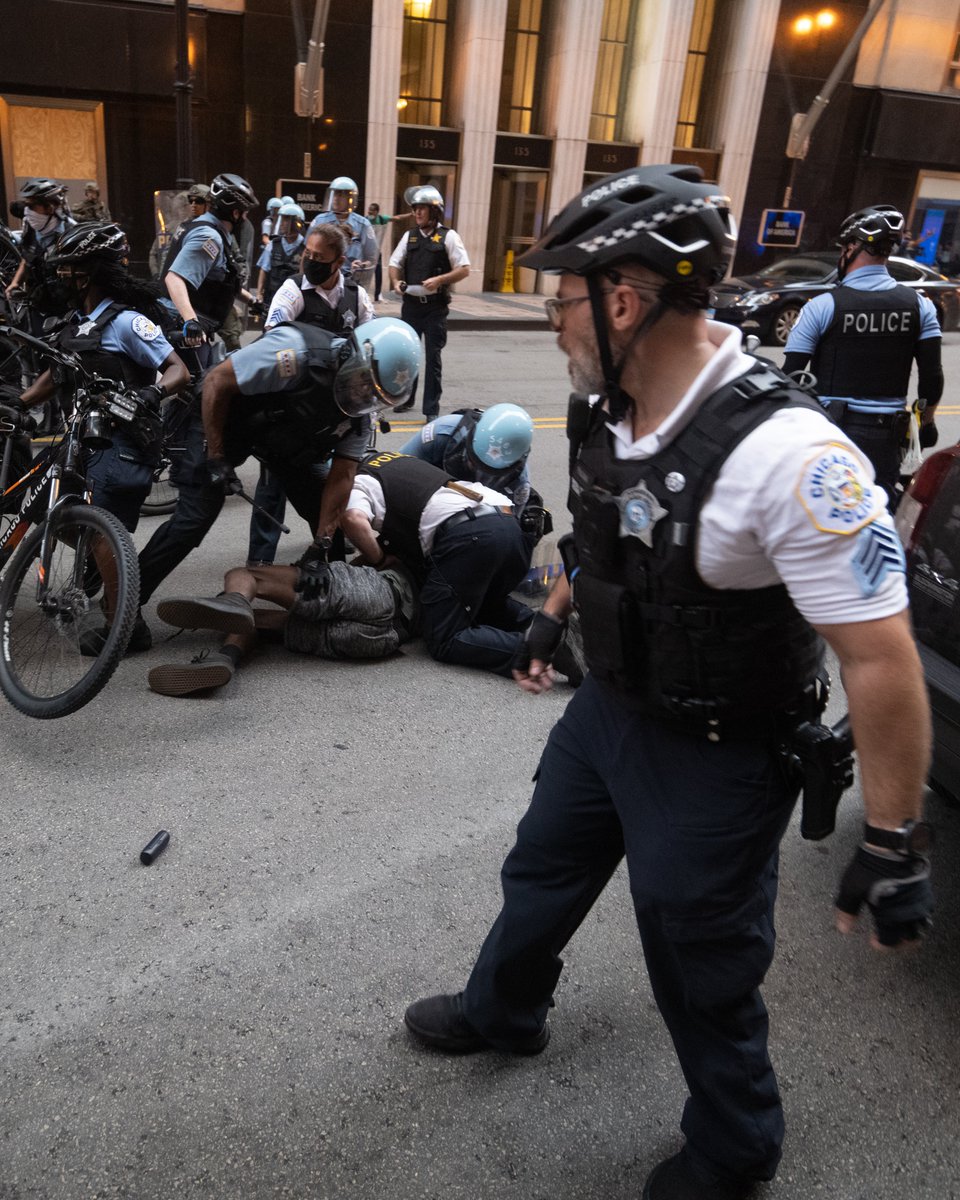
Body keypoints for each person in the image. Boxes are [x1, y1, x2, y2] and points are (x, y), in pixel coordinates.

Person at [402, 165, 934, 1200]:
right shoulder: (604, 405)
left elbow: (881, 655)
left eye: (563, 297)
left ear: (624, 300)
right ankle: (505, 1011)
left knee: (699, 952)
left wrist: (892, 839)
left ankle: (736, 1147)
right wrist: (551, 627)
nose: (555, 318)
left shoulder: (793, 457)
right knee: (542, 866)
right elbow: (604, 550)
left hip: (723, 753)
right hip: (609, 711)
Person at [140, 315, 420, 608]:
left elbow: (342, 479)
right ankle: (122, 603)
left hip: (282, 442)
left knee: (328, 521)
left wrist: (319, 548)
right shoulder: (296, 353)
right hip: (226, 421)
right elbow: (216, 382)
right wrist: (216, 456)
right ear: (351, 355)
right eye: (364, 382)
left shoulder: (357, 420)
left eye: (373, 396)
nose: (363, 395)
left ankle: (334, 601)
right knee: (194, 519)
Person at [16, 221, 189, 652]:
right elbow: (45, 385)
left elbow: (179, 370)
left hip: (123, 445)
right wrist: (14, 403)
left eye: (69, 269)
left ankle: (126, 626)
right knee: (46, 510)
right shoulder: (79, 326)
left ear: (90, 271)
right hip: (84, 445)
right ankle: (105, 576)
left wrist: (151, 391)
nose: (62, 277)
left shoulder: (127, 322)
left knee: (98, 530)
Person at [343, 449, 574, 679]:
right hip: (510, 524)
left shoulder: (359, 479)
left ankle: (549, 652)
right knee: (483, 607)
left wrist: (380, 560)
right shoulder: (397, 461)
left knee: (444, 637)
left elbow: (353, 519)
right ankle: (561, 634)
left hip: (471, 536)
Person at [783, 204, 943, 510]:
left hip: (831, 432)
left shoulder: (822, 306)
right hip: (886, 438)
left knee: (821, 515)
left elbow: (790, 377)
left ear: (854, 247)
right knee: (876, 516)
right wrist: (926, 422)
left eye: (844, 247)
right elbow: (932, 379)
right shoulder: (920, 306)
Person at [247, 223, 376, 567]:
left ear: (340, 261)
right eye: (308, 255)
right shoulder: (292, 293)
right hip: (293, 411)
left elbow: (369, 348)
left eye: (320, 257)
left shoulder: (356, 297)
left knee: (329, 486)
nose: (311, 262)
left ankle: (327, 557)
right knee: (273, 487)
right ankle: (258, 563)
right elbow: (271, 341)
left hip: (338, 410)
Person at [145, 556, 419, 696]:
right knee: (254, 619)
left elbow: (374, 551)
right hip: (383, 640)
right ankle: (225, 657)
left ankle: (234, 598)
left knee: (244, 575)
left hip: (381, 592)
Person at [389, 185, 470, 421]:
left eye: (421, 209)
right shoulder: (409, 236)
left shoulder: (449, 236)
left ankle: (431, 409)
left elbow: (464, 269)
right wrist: (396, 282)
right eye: (415, 209)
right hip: (411, 306)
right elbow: (394, 263)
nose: (417, 213)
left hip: (435, 307)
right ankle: (406, 399)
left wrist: (440, 280)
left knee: (433, 357)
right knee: (407, 355)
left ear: (434, 212)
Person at [398, 403, 534, 515]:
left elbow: (509, 529)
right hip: (426, 497)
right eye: (474, 461)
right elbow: (397, 471)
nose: (479, 472)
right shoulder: (441, 432)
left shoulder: (518, 482)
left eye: (490, 472)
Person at [4, 178, 76, 310]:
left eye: (32, 206)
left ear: (50, 208)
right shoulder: (32, 228)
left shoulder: (72, 234)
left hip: (66, 309)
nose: (27, 211)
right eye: (26, 206)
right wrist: (15, 283)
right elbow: (27, 258)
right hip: (39, 304)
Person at [307, 176, 378, 292]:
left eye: (340, 195)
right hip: (322, 282)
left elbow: (371, 257)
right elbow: (307, 252)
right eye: (334, 194)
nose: (335, 198)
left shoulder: (363, 225)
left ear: (351, 198)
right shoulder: (319, 221)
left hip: (350, 284)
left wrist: (361, 265)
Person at [255, 202, 306, 314]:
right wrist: (259, 293)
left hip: (293, 300)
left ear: (296, 223)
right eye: (281, 220)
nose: (282, 224)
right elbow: (264, 270)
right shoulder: (273, 244)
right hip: (272, 297)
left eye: (286, 220)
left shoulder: (305, 247)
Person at [366, 201, 410, 302]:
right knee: (366, 274)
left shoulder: (382, 219)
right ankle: (364, 293)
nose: (370, 214)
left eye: (372, 212)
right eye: (369, 212)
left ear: (377, 212)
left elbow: (397, 218)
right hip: (367, 252)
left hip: (377, 252)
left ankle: (378, 295)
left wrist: (410, 215)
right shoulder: (365, 220)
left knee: (378, 274)